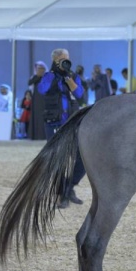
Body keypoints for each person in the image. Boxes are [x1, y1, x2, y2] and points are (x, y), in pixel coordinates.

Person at [37, 48, 86, 209]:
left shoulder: (73, 76)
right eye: (62, 59)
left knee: (83, 157)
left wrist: (67, 78)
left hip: (72, 122)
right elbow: (42, 90)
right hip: (53, 123)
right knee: (57, 159)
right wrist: (54, 73)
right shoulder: (48, 76)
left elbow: (79, 94)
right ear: (55, 60)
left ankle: (69, 186)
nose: (65, 62)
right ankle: (61, 194)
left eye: (67, 59)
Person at [28, 61, 48, 140]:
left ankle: (43, 136)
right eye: (38, 68)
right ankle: (35, 136)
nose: (39, 70)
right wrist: (37, 76)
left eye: (41, 68)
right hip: (36, 101)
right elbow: (29, 83)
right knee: (36, 118)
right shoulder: (34, 77)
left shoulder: (47, 77)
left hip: (45, 100)